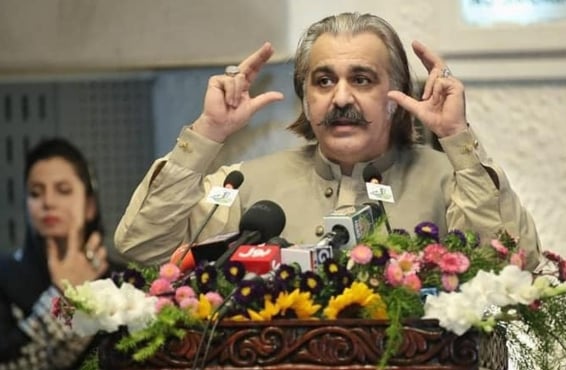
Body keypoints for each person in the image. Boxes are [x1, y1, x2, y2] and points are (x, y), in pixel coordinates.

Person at [115, 11, 540, 269]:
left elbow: (512, 263)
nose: (340, 98)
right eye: (323, 81)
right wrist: (208, 131)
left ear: (397, 96)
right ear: (304, 97)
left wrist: (456, 138)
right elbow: (144, 246)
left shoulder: (451, 181)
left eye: (362, 79)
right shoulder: (244, 187)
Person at [0, 138, 112, 370]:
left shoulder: (119, 280)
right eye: (35, 193)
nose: (48, 201)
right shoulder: (4, 276)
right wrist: (64, 295)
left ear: (89, 205)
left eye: (63, 190)